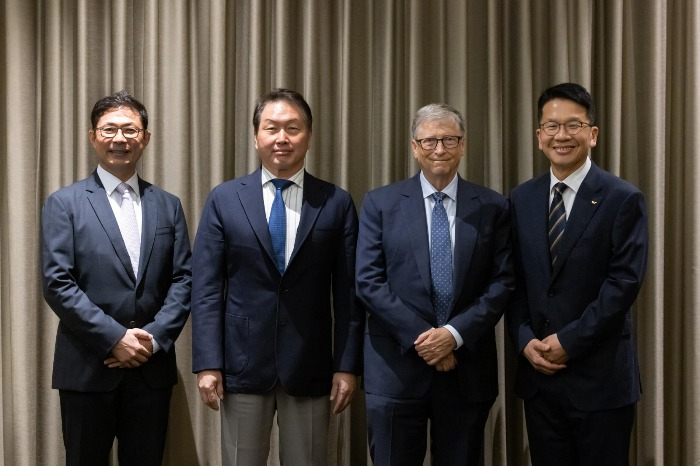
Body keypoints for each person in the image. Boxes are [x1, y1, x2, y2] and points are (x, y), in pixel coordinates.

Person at [191, 88, 364, 466]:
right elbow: (205, 288)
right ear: (256, 136)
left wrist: (346, 366)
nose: (282, 138)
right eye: (272, 128)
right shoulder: (224, 198)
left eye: (292, 128)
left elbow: (350, 293)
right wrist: (207, 362)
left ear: (309, 136)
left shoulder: (335, 201)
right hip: (241, 364)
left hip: (311, 365)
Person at [356, 103, 514, 465]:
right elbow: (368, 281)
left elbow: (503, 282)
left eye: (448, 140)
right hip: (395, 371)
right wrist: (428, 339)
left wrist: (453, 335)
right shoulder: (380, 204)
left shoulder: (492, 206)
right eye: (429, 141)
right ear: (414, 147)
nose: (439, 149)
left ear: (463, 146)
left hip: (466, 370)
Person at [41, 91, 192, 466]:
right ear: (93, 136)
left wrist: (152, 340)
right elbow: (57, 282)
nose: (119, 139)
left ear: (146, 137)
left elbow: (184, 279)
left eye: (129, 129)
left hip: (151, 368)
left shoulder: (168, 205)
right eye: (109, 129)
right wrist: (114, 339)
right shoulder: (65, 203)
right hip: (87, 368)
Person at [507, 82, 648, 465]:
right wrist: (524, 340)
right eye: (551, 127)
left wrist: (568, 340)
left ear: (593, 134)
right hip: (540, 381)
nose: (562, 136)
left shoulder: (622, 198)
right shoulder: (521, 199)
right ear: (539, 137)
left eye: (573, 125)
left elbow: (623, 285)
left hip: (600, 382)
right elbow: (514, 282)